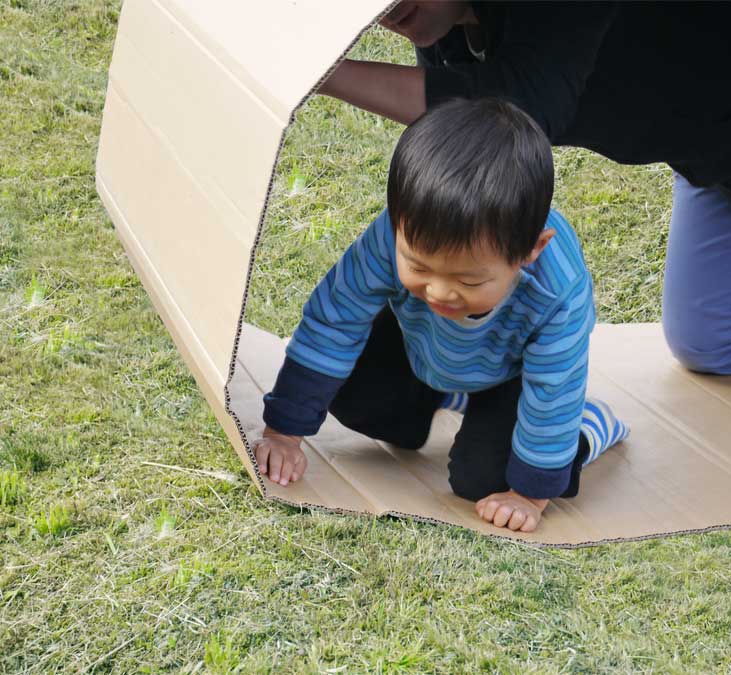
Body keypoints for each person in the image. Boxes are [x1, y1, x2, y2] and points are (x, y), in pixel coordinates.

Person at [318, 1, 731, 411]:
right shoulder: (449, 26)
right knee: (713, 341)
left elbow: (523, 105)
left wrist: (324, 72)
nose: (384, 9)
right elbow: (474, 131)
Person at [254, 98, 629, 533]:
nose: (438, 290)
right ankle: (454, 390)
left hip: (516, 379)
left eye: (468, 282)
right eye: (417, 267)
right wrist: (283, 432)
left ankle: (586, 424)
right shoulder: (394, 231)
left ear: (531, 251)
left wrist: (531, 493)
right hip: (423, 347)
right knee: (349, 395)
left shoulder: (558, 289)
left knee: (484, 480)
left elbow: (552, 386)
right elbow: (336, 317)